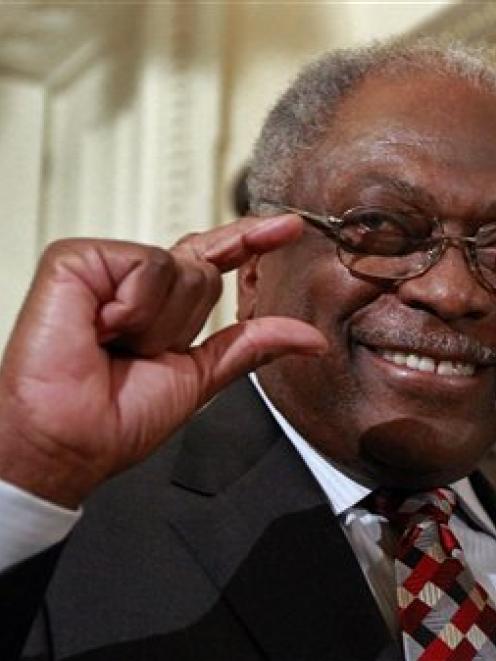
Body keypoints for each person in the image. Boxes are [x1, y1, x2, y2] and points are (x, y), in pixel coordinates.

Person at [2, 38, 496, 661]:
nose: (454, 291)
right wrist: (30, 470)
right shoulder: (66, 530)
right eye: (381, 227)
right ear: (256, 272)